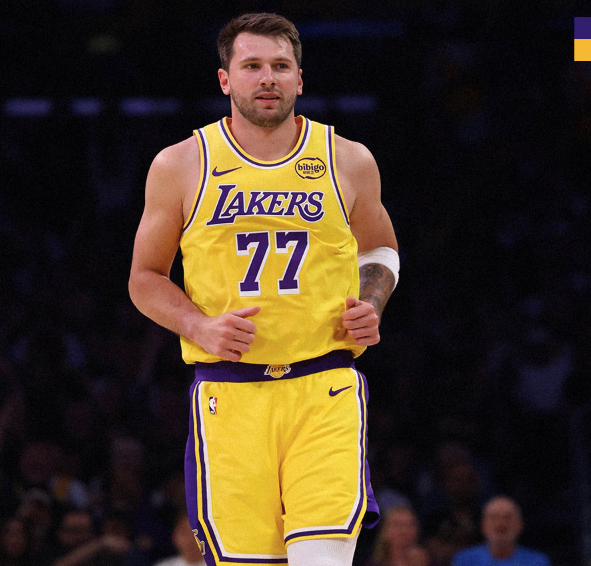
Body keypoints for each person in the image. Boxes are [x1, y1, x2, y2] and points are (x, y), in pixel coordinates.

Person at [129, 12, 399, 566]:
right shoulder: (180, 164)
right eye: (252, 65)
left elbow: (380, 250)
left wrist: (371, 303)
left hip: (323, 389)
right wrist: (199, 325)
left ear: (300, 77)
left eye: (280, 65)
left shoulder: (348, 159)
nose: (268, 77)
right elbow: (144, 278)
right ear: (225, 79)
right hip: (230, 397)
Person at [451, 496, 551, 566]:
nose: (501, 523)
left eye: (507, 517)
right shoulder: (465, 560)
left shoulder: (537, 562)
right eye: (494, 517)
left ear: (520, 525)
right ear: (483, 526)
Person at [365, 506, 432, 566]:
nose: (405, 530)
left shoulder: (428, 561)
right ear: (385, 531)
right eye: (398, 525)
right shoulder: (373, 564)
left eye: (410, 525)